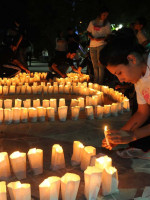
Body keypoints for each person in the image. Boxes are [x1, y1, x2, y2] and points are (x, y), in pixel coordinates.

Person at [99, 27, 150, 153]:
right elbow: (143, 112)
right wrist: (120, 135)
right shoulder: (139, 78)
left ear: (132, 59)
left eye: (119, 72)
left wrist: (133, 135)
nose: (120, 80)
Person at [87, 6, 111, 84]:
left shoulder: (107, 24)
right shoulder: (92, 22)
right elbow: (88, 32)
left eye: (106, 15)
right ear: (100, 14)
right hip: (92, 45)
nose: (105, 17)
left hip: (102, 44)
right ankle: (95, 81)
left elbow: (108, 35)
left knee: (100, 65)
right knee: (94, 65)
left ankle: (99, 82)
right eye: (104, 15)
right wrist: (91, 37)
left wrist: (101, 38)